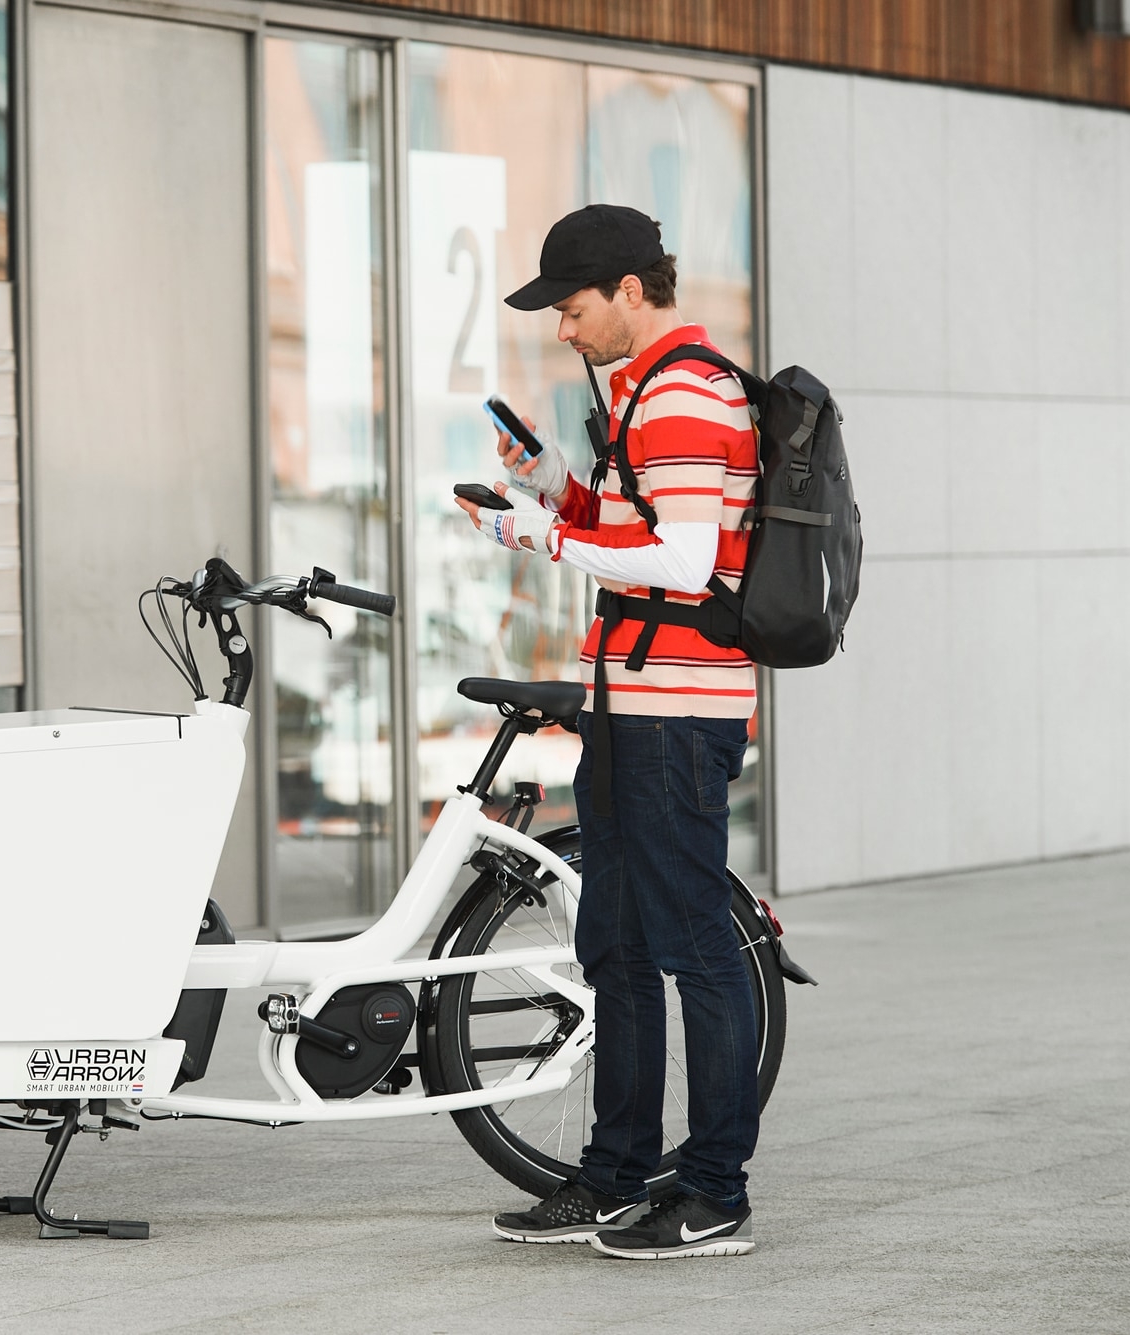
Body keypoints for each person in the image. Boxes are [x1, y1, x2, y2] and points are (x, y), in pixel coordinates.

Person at [455, 204, 761, 1260]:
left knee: (691, 953)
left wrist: (540, 535)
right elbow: (640, 527)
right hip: (630, 708)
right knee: (615, 947)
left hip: (677, 713)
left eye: (572, 308)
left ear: (632, 290)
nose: (561, 331)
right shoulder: (645, 394)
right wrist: (554, 491)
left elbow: (682, 565)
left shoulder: (681, 392)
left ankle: (714, 1192)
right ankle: (613, 1178)